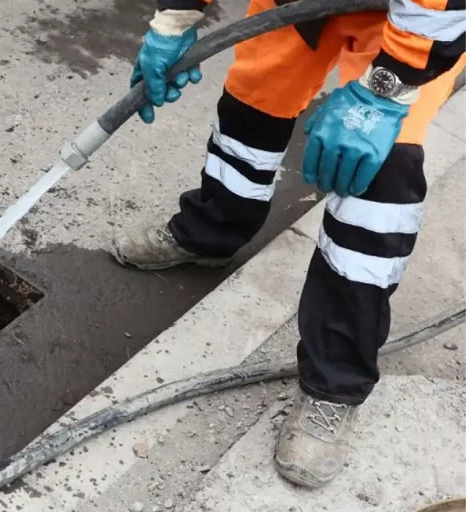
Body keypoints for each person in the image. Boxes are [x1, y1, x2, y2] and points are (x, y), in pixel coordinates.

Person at [115, 0, 466, 489]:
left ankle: (335, 383)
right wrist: (176, 17)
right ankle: (212, 230)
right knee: (255, 97)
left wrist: (388, 90)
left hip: (416, 22)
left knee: (380, 168)